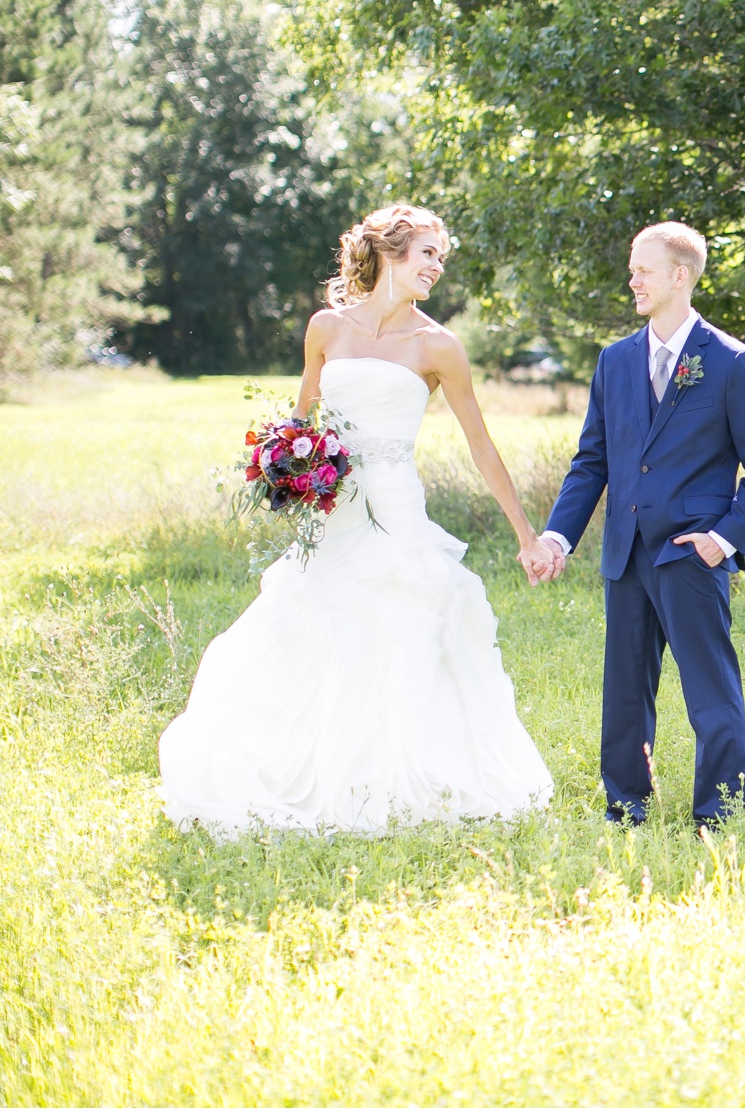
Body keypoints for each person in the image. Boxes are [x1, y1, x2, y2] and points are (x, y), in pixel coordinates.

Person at [159, 205, 558, 837]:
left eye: (441, 257)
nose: (438, 267)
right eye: (429, 253)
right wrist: (286, 466)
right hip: (336, 505)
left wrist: (526, 535)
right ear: (391, 252)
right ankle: (314, 767)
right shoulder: (327, 327)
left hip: (398, 505)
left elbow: (481, 446)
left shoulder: (438, 345)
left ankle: (397, 778)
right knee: (320, 621)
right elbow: (301, 422)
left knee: (402, 625)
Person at [534, 222, 745, 827]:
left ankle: (718, 815)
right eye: (631, 268)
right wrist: (556, 535)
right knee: (624, 696)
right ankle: (626, 809)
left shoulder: (729, 362)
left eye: (643, 269)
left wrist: (720, 540)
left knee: (710, 693)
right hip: (625, 554)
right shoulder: (616, 361)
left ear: (680, 276)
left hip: (689, 556)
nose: (633, 279)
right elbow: (592, 460)